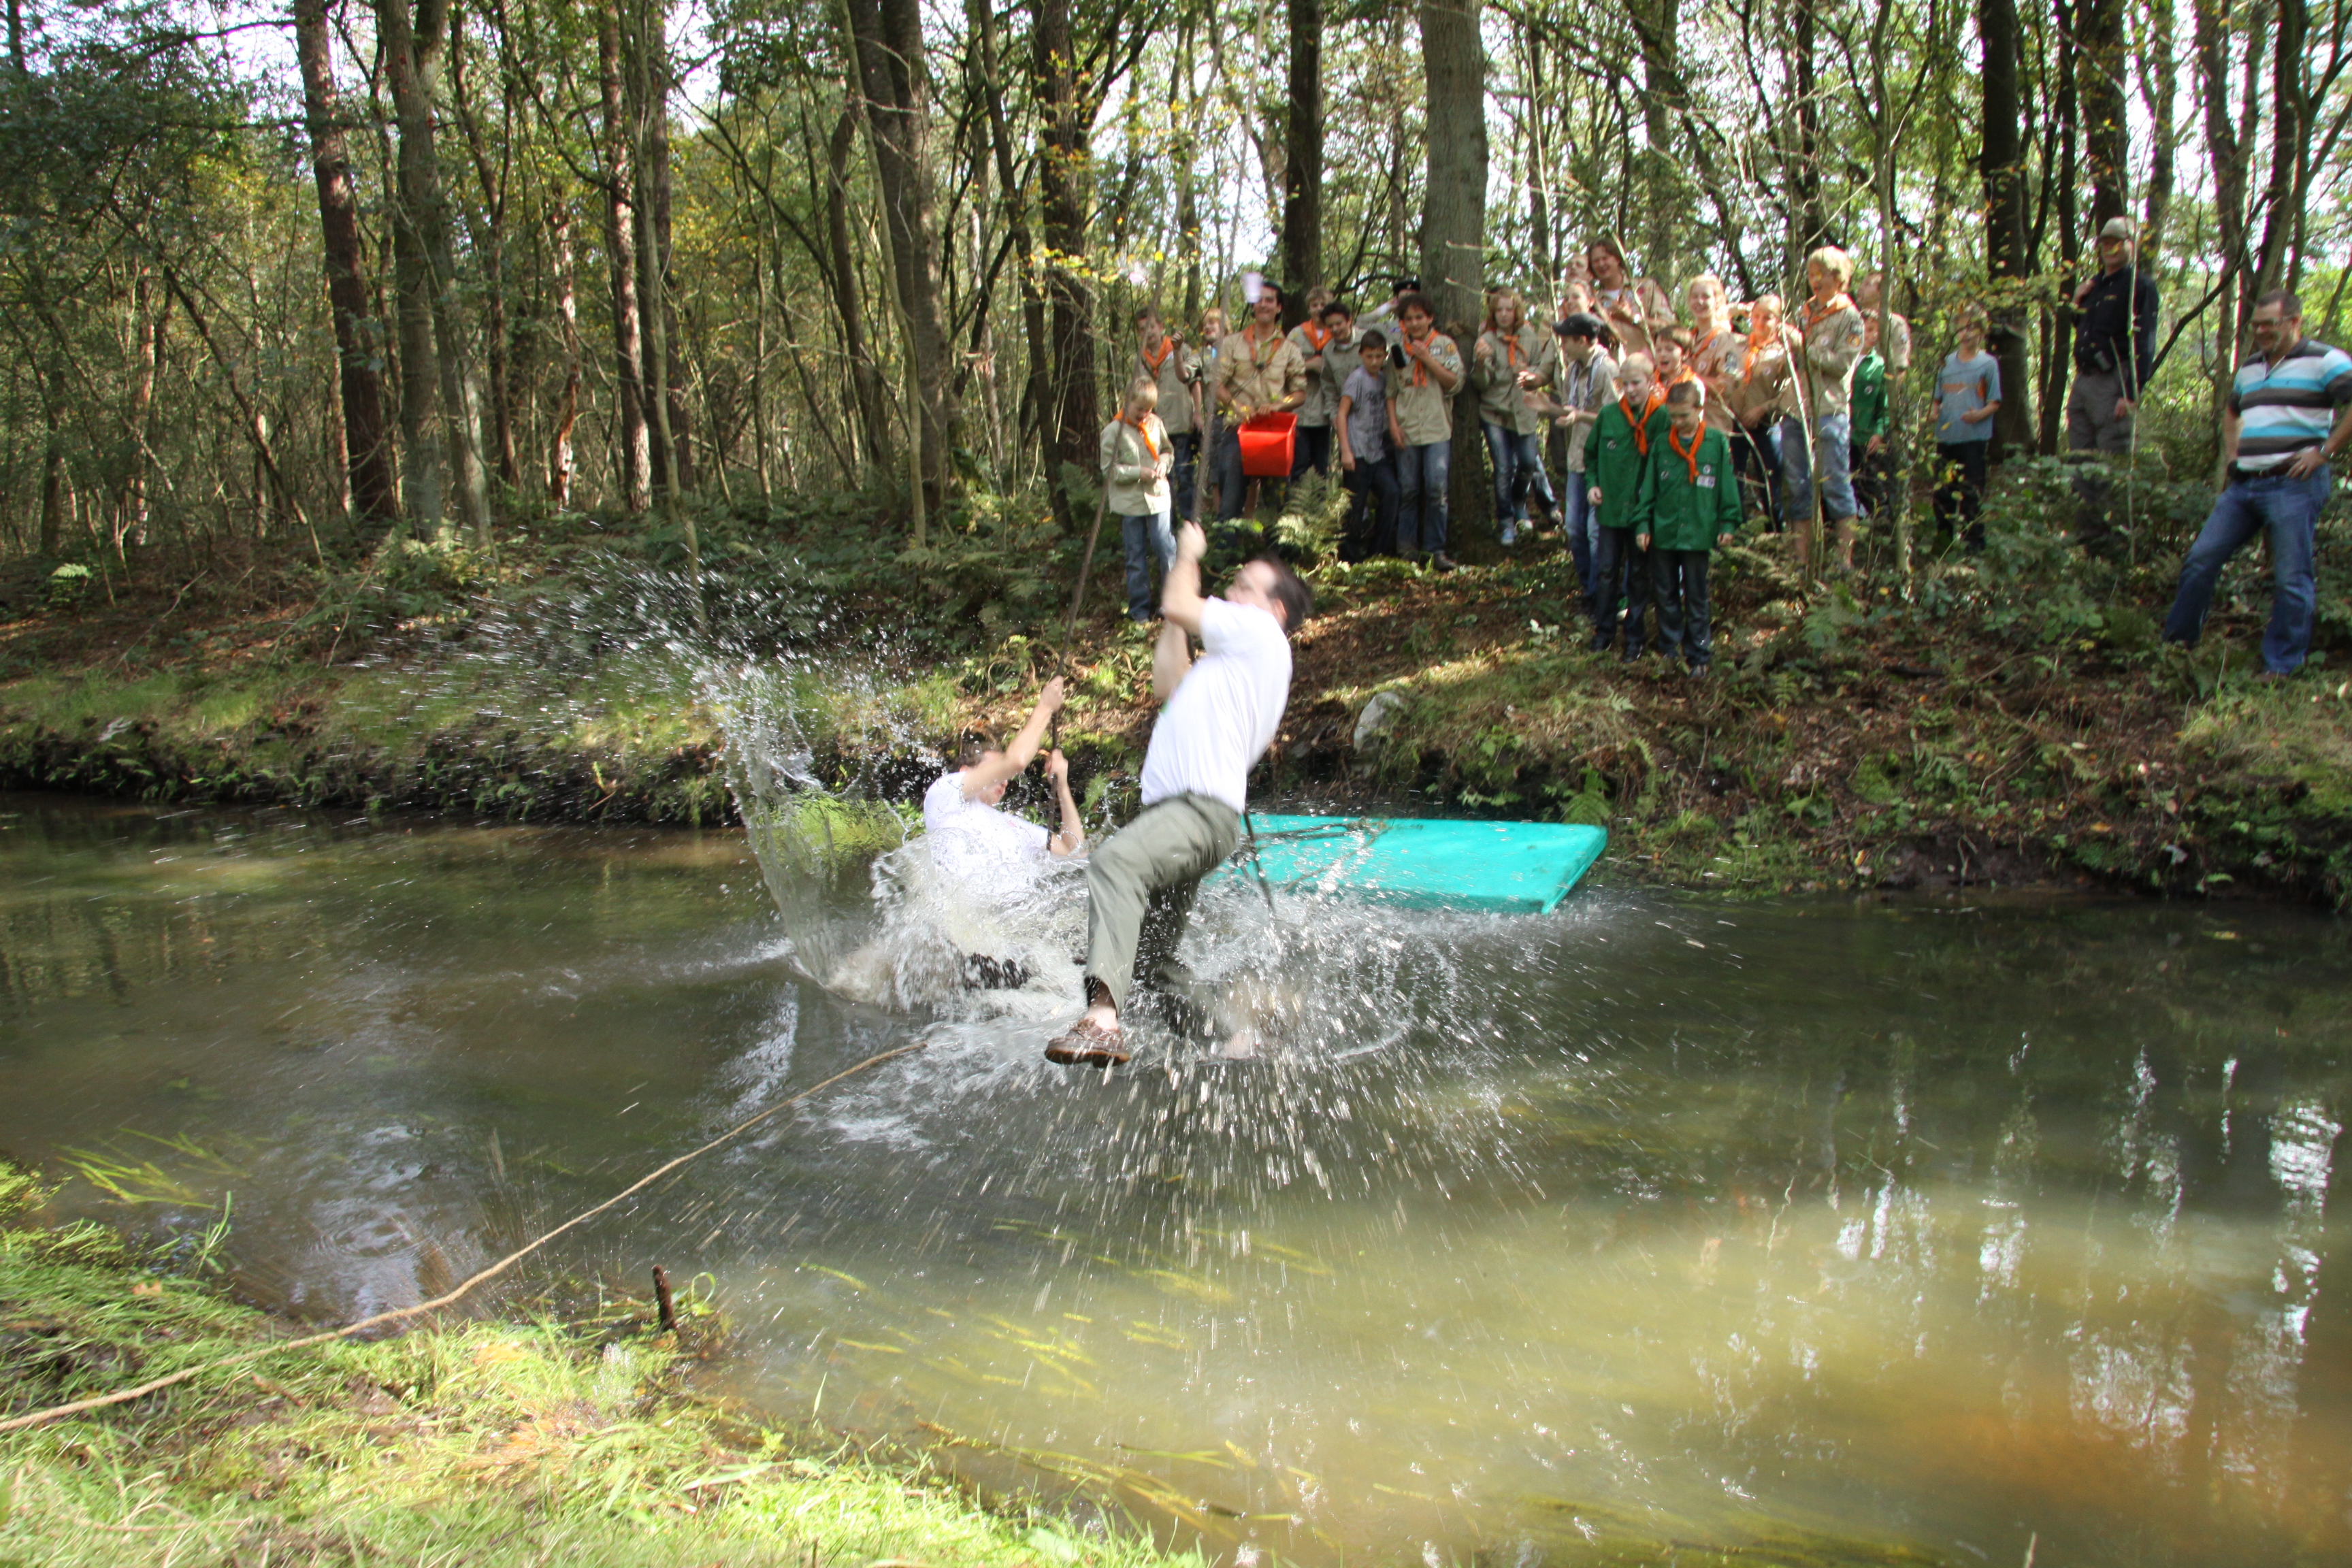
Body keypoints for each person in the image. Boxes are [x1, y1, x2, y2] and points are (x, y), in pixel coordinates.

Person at [1044, 523, 1310, 1066]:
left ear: (1276, 610)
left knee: (1115, 863)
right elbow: (1167, 682)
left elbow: (1181, 601)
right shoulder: (1226, 666)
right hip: (1178, 816)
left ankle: (1102, 1022)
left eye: (1245, 587)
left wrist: (1185, 554)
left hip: (1197, 812)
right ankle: (1232, 1042)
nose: (1231, 591)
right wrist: (1175, 612)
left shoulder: (1263, 635)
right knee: (1148, 957)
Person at [2159, 289, 2352, 678]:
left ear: (2294, 322)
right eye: (2255, 325)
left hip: (2294, 484)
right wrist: (2233, 458)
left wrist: (2324, 452)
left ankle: (2281, 666)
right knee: (2201, 559)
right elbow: (2232, 413)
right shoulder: (2249, 368)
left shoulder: (2326, 360)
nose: (2261, 331)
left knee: (2291, 576)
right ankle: (2178, 644)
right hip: (2245, 486)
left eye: (2269, 324)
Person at [924, 679, 1085, 987]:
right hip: (967, 939)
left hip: (1013, 937)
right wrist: (1045, 707)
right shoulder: (946, 795)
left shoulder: (1014, 826)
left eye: (1005, 776)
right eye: (995, 771)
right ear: (966, 772)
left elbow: (1073, 851)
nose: (1005, 779)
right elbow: (1017, 761)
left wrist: (1063, 786)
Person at [1634, 380, 1741, 676]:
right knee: (1665, 593)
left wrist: (1728, 522)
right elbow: (1649, 489)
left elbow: (1727, 486)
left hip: (1698, 532)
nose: (1678, 422)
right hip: (1664, 532)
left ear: (1699, 410)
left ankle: (1699, 655)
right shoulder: (1661, 445)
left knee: (1696, 595)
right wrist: (1643, 524)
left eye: (1684, 415)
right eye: (1673, 416)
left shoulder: (1716, 443)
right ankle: (1671, 649)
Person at [1778, 246, 1867, 571]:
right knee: (1798, 486)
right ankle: (1801, 561)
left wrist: (1804, 348)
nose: (1815, 280)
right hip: (1795, 409)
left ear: (1839, 278)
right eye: (1812, 274)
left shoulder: (1850, 318)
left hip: (1830, 410)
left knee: (1835, 483)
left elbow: (1842, 364)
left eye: (1823, 274)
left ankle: (1844, 561)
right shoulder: (1803, 314)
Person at [1586, 350, 1665, 659]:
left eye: (1636, 383)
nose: (1630, 390)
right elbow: (1591, 455)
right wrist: (1592, 483)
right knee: (1606, 571)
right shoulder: (1609, 415)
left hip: (1642, 514)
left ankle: (1635, 637)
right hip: (1610, 510)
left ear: (1651, 381)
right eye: (1625, 384)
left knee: (1639, 576)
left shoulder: (1661, 418)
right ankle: (1603, 631)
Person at [1213, 284, 1307, 533]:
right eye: (1259, 300)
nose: (1264, 305)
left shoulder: (1290, 349)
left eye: (1270, 300)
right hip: (1239, 428)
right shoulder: (1232, 344)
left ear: (1279, 307)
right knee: (1230, 500)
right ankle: (1226, 552)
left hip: (1274, 433)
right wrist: (1237, 407)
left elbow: (1300, 393)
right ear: (1253, 306)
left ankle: (1276, 553)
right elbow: (1216, 385)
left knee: (1278, 505)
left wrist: (1277, 406)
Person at [1473, 288, 1558, 547]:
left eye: (1509, 309)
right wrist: (1480, 364)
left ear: (1516, 311)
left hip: (1523, 410)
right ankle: (1506, 521)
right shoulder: (1486, 339)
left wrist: (1528, 372)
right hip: (1495, 412)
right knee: (1503, 468)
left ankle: (1519, 502)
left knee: (1528, 463)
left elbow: (1541, 372)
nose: (1504, 314)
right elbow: (1481, 383)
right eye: (1499, 310)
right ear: (1493, 313)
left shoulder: (1529, 337)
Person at [2068, 216, 2160, 454]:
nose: (2110, 248)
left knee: (2111, 457)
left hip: (2113, 380)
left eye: (2117, 242)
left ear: (2132, 245)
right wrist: (2076, 301)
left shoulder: (2140, 285)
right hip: (2083, 379)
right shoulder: (2093, 285)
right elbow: (2083, 327)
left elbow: (2145, 342)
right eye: (2105, 243)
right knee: (2078, 458)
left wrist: (2130, 393)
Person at [1388, 291, 1465, 570]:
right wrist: (1393, 425)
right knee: (1408, 490)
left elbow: (1455, 383)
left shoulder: (1445, 345)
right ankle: (1406, 551)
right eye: (1409, 319)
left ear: (1430, 318)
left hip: (1437, 429)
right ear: (1403, 323)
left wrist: (1427, 358)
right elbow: (1391, 392)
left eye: (1419, 317)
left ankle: (1436, 551)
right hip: (1407, 429)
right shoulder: (1397, 350)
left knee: (1436, 490)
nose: (1415, 323)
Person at [1544, 312, 1618, 598]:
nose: (1562, 345)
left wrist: (1579, 417)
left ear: (1583, 340)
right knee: (1574, 527)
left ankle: (1602, 595)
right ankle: (1588, 588)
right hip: (1578, 457)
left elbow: (1616, 419)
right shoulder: (1573, 369)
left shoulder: (1607, 369)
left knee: (1596, 533)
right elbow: (1571, 410)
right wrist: (1548, 408)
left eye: (1566, 340)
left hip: (1602, 461)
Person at [1102, 376, 1176, 621]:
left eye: (1148, 409)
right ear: (1127, 401)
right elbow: (1109, 470)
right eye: (1139, 409)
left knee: (1165, 547)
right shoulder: (1113, 431)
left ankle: (1171, 604)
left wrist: (1163, 464)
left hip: (1158, 496)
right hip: (1130, 502)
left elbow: (1167, 450)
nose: (1144, 414)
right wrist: (1138, 472)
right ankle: (1140, 612)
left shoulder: (1155, 423)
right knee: (1136, 556)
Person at [1932, 308, 2002, 551]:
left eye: (1972, 327)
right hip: (1946, 438)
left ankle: (1974, 544)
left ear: (1982, 332)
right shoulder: (1946, 363)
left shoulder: (1988, 364)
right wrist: (1933, 413)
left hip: (1974, 439)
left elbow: (1995, 402)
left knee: (1972, 492)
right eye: (1962, 327)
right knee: (1943, 492)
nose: (1966, 333)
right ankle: (1943, 541)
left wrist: (1978, 415)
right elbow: (1937, 399)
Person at [1337, 329, 1401, 561]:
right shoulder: (1356, 379)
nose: (1374, 361)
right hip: (1357, 452)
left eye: (1379, 356)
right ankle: (1349, 557)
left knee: (1392, 493)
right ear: (1361, 355)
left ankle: (1377, 552)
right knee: (1355, 505)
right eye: (1369, 356)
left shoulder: (1383, 380)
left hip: (1377, 452)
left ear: (1385, 356)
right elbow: (1341, 414)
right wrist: (1346, 450)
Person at [1134, 306, 1201, 520]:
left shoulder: (1180, 350)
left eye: (1152, 327)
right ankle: (1167, 527)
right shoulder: (1140, 360)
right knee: (1163, 479)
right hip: (1154, 429)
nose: (1149, 332)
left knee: (1184, 475)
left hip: (1180, 423)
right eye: (1143, 329)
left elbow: (1195, 382)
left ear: (1161, 327)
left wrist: (1198, 413)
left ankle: (1191, 524)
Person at [1729, 293, 1786, 529]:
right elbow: (1721, 314)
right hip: (1734, 422)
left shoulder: (1783, 353)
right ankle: (1736, 531)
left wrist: (1763, 409)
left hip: (1765, 425)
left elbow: (1788, 391)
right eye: (1756, 316)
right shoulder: (1737, 344)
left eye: (1768, 317)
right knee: (1734, 477)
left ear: (1779, 321)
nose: (1760, 322)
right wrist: (1742, 308)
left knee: (1771, 478)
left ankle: (1775, 530)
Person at [1287, 290, 1350, 478]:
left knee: (1321, 464)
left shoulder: (1337, 332)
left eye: (1323, 305)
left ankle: (1319, 497)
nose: (1319, 309)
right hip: (1302, 407)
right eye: (1314, 305)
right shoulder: (1297, 334)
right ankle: (1297, 496)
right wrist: (1309, 365)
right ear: (1309, 308)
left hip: (1327, 407)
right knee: (1300, 460)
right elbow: (1283, 366)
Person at [1586, 238, 1677, 362]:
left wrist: (1632, 319)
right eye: (1596, 261)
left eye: (1605, 258)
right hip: (1612, 368)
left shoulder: (1646, 288)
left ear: (1617, 259)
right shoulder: (1594, 302)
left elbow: (1668, 327)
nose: (1601, 264)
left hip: (1648, 365)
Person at [1848, 316, 1891, 518]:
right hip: (1840, 433)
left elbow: (1885, 405)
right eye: (1869, 329)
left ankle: (1880, 525)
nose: (1874, 335)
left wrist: (1879, 432)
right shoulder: (1844, 357)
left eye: (1877, 331)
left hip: (1866, 437)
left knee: (1870, 485)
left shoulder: (1880, 365)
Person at [1855, 272, 1912, 375]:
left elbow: (1899, 368)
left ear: (1882, 291)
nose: (1860, 288)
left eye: (1868, 284)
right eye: (1861, 284)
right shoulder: (1852, 319)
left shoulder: (1895, 323)